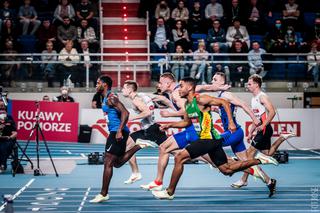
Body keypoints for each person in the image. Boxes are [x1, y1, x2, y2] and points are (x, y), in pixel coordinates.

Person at [152, 77, 278, 199]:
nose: (178, 89)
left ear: (190, 88)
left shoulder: (201, 99)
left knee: (179, 157)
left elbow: (224, 102)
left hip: (209, 138)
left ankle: (169, 192)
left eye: (182, 86)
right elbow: (186, 123)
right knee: (227, 170)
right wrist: (169, 124)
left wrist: (230, 122)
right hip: (210, 141)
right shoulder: (188, 105)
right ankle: (260, 160)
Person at [89, 76, 152, 203]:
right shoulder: (106, 97)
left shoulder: (112, 97)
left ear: (105, 84)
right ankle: (138, 145)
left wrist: (118, 130)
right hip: (116, 131)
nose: (96, 85)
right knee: (116, 163)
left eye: (98, 83)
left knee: (108, 162)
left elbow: (125, 113)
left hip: (117, 132)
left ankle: (103, 193)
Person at [231, 74, 295, 197]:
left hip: (264, 130)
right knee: (268, 154)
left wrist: (263, 126)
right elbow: (257, 119)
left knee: (248, 156)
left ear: (256, 84)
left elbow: (272, 112)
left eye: (249, 83)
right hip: (263, 129)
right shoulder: (253, 99)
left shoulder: (262, 97)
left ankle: (244, 180)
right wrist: (250, 132)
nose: (247, 85)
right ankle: (282, 137)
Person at [121, 80, 167, 184]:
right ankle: (135, 173)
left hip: (152, 130)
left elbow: (147, 112)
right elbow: (160, 99)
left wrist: (133, 118)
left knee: (175, 151)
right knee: (127, 145)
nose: (122, 90)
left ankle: (206, 158)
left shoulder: (136, 100)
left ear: (129, 89)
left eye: (124, 88)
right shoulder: (141, 95)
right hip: (150, 128)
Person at [0, 107, 17, 173]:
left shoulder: (10, 121)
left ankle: (2, 164)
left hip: (8, 140)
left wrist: (9, 137)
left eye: (4, 112)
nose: (2, 113)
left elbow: (15, 133)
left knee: (4, 147)